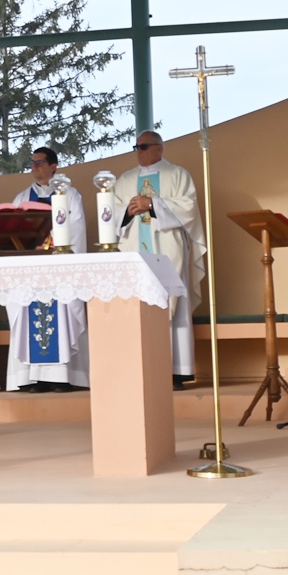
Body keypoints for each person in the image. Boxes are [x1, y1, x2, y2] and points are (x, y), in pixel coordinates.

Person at [113, 132, 206, 390]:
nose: (139, 152)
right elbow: (112, 212)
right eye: (136, 147)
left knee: (171, 304)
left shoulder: (178, 175)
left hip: (167, 249)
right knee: (140, 307)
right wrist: (127, 212)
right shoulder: (126, 180)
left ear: (159, 149)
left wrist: (151, 204)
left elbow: (188, 208)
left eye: (144, 147)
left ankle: (176, 372)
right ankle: (144, 369)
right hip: (135, 250)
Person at [6, 147, 89, 392]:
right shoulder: (22, 198)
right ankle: (34, 377)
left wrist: (50, 240)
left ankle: (64, 377)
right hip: (30, 270)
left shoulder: (70, 195)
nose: (35, 166)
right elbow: (11, 229)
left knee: (62, 313)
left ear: (54, 166)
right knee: (29, 315)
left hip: (59, 268)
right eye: (32, 162)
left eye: (40, 162)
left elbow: (76, 227)